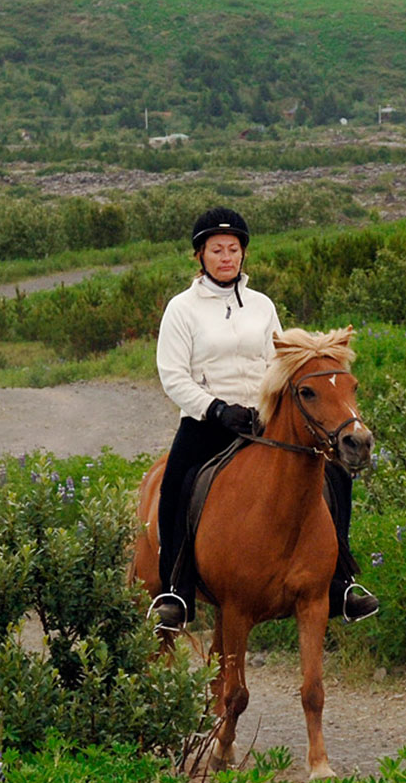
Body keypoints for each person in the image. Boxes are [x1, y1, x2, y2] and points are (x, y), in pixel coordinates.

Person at [151, 206, 378, 630]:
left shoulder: (261, 306)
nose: (226, 258)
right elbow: (172, 375)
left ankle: (340, 583)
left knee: (334, 473)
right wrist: (216, 409)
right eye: (216, 250)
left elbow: (279, 362)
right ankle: (176, 591)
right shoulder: (181, 309)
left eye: (233, 249)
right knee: (178, 484)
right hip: (206, 422)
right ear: (199, 256)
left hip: (261, 421)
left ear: (243, 255)